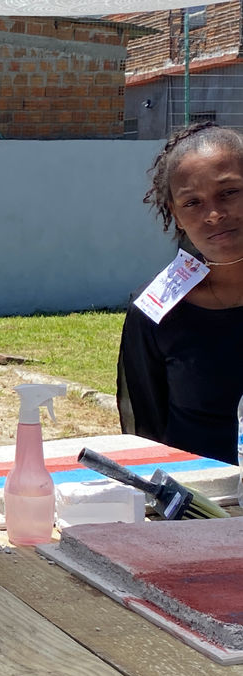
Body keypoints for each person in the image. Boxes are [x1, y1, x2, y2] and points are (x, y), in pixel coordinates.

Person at [117, 121, 243, 465]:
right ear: (176, 214)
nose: (214, 215)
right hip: (200, 496)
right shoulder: (154, 310)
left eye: (229, 192)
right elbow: (146, 433)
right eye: (192, 202)